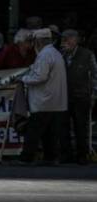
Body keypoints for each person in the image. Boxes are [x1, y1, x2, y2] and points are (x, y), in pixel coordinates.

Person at [19, 29, 68, 165]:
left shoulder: (45, 55)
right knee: (49, 133)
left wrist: (24, 78)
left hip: (43, 101)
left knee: (33, 131)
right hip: (55, 102)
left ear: (38, 41)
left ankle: (26, 158)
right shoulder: (54, 53)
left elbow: (40, 77)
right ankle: (50, 158)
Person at [59, 29, 97, 164]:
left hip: (82, 96)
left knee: (81, 127)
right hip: (64, 97)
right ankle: (66, 155)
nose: (65, 41)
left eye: (68, 38)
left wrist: (93, 96)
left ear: (76, 40)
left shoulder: (87, 54)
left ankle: (82, 155)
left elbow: (94, 76)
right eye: (64, 38)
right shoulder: (61, 55)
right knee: (64, 127)